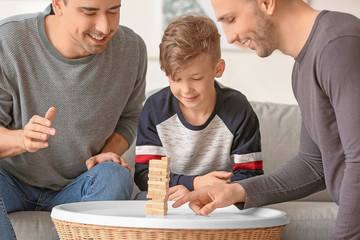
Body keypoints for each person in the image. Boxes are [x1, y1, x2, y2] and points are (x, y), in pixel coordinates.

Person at [173, 0, 360, 239]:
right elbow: (314, 165)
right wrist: (236, 191)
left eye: (231, 20)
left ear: (267, 2)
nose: (229, 37)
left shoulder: (337, 46)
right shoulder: (303, 67)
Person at [0, 0, 146, 238]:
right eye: (89, 12)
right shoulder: (8, 41)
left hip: (79, 185)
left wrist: (108, 152)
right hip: (10, 182)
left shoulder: (131, 50)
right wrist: (22, 139)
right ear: (58, 5)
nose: (104, 26)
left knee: (115, 175)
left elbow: (129, 118)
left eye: (113, 11)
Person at [134, 15, 263, 201]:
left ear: (217, 69)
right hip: (172, 196)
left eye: (196, 79)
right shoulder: (154, 109)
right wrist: (193, 184)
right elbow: (145, 176)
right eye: (176, 79)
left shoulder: (239, 109)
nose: (186, 90)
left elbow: (251, 176)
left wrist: (203, 192)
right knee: (143, 198)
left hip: (220, 199)